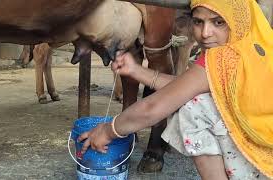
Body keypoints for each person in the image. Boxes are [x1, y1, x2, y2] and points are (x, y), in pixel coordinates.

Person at [78, 0, 273, 179]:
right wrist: (136, 71)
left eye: (219, 22)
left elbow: (153, 108)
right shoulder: (256, 46)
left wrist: (108, 131)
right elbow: (188, 85)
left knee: (191, 107)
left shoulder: (222, 58)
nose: (205, 33)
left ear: (238, 20)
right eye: (198, 22)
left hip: (265, 160)